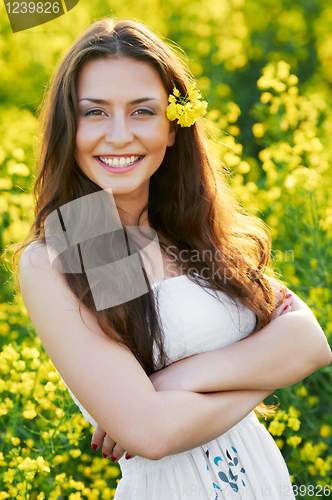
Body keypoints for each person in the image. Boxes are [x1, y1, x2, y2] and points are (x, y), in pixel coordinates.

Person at [15, 17, 331, 500]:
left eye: (143, 111)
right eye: (95, 113)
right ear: (67, 127)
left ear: (173, 127)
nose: (119, 136)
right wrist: (267, 376)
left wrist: (179, 378)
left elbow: (309, 342)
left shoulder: (190, 230)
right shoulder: (80, 243)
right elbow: (153, 433)